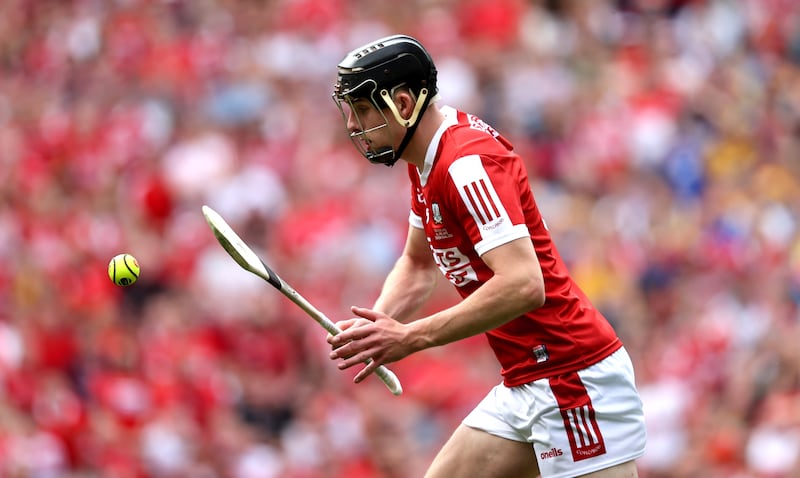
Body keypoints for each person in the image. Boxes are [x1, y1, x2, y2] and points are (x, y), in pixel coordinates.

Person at [327, 34, 647, 478]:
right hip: (525, 378)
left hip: (572, 377)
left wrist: (412, 337)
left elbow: (523, 284)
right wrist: (377, 324)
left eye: (363, 110)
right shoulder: (426, 162)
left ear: (403, 103)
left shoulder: (465, 165)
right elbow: (418, 266)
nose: (354, 126)